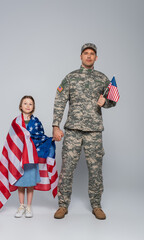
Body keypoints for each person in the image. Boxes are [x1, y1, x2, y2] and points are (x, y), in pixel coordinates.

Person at [52, 43, 116, 220]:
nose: (88, 56)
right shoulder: (71, 78)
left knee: (96, 170)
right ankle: (62, 205)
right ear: (80, 57)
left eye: (92, 54)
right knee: (67, 169)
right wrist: (55, 125)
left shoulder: (102, 79)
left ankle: (96, 205)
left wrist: (107, 103)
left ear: (96, 58)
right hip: (72, 130)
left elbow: (113, 99)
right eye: (85, 53)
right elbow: (60, 101)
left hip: (94, 131)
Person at [0, 95, 58, 218]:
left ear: (33, 107)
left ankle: (28, 207)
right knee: (20, 183)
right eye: (25, 103)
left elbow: (40, 138)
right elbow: (12, 140)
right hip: (19, 158)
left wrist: (50, 139)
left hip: (31, 159)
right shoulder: (15, 123)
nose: (28, 106)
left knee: (30, 184)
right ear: (21, 106)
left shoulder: (36, 122)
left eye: (30, 104)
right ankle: (21, 205)